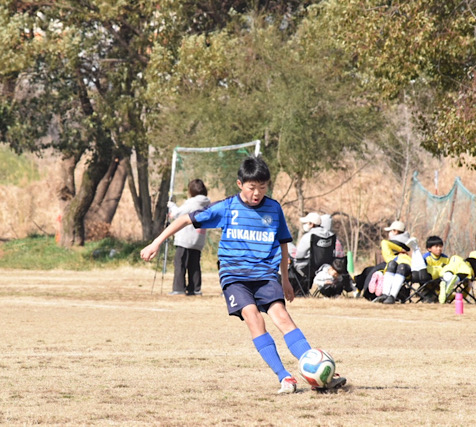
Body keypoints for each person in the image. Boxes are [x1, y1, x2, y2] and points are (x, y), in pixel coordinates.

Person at [140, 156, 346, 394]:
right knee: (253, 317)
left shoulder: (274, 209)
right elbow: (186, 219)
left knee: (282, 317)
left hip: (265, 275)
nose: (257, 193)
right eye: (252, 187)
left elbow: (283, 245)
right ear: (240, 184)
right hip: (235, 276)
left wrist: (286, 280)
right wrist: (156, 242)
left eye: (263, 187)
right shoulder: (227, 207)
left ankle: (318, 371)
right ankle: (284, 377)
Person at [167, 179, 211, 296]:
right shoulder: (207, 203)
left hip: (185, 238)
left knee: (180, 263)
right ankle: (195, 288)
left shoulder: (192, 202)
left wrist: (171, 205)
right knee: (194, 265)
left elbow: (178, 214)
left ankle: (179, 288)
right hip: (198, 238)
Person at [367, 220, 417, 304]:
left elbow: (384, 243)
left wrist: (400, 250)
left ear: (395, 231)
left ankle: (392, 296)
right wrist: (401, 249)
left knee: (401, 266)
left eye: (390, 231)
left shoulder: (404, 257)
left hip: (405, 268)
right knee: (392, 264)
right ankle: (385, 294)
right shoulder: (394, 256)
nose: (389, 233)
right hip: (395, 264)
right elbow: (384, 243)